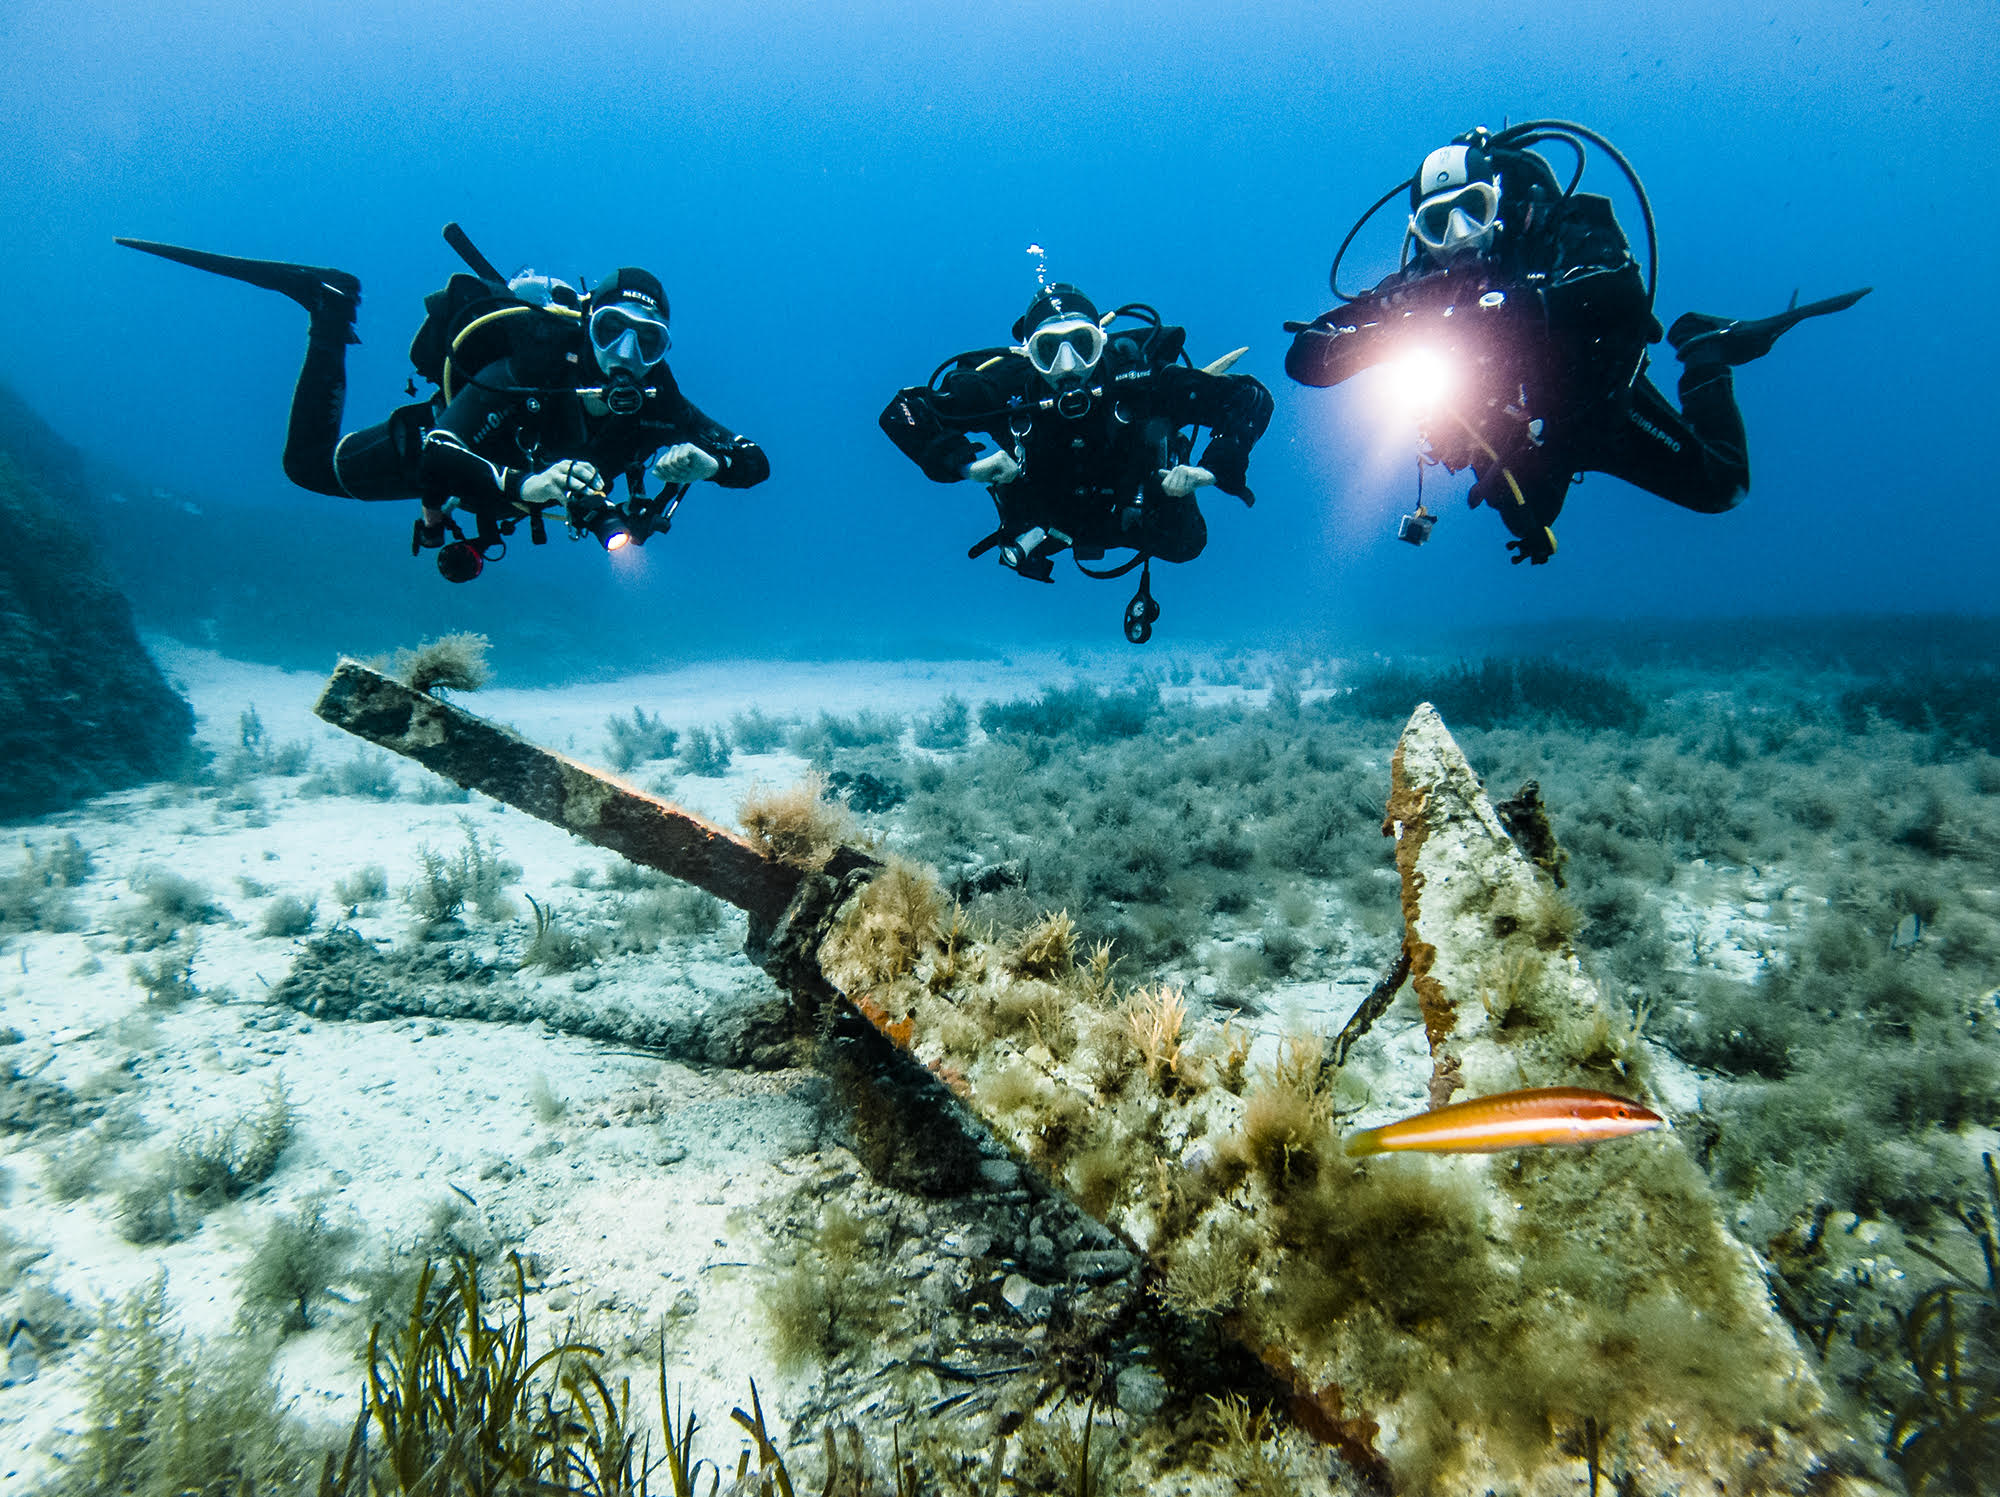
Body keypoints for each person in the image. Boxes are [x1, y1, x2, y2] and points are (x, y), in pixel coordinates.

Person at [1283, 121, 1868, 565]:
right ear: (1419, 233)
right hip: (1522, 444)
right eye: (1439, 223)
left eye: (1473, 211)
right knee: (1525, 513)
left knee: (1725, 489)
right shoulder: (1413, 288)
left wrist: (1496, 312)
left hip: (1599, 409)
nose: (1459, 235)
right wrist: (1375, 338)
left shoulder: (1558, 232)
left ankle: (1705, 347)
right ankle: (1534, 518)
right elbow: (1305, 357)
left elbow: (1619, 290)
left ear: (1499, 203)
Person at [116, 232, 769, 581]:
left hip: (495, 495)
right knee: (306, 466)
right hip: (448, 456)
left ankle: (328, 306)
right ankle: (328, 306)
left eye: (648, 342)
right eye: (611, 331)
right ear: (586, 325)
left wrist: (711, 465)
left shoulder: (659, 401)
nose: (626, 354)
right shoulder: (532, 368)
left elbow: (754, 461)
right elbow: (440, 451)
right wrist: (526, 484)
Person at [880, 283, 1272, 640]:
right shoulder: (1006, 386)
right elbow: (902, 411)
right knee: (1021, 547)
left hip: (1141, 510)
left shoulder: (1139, 379)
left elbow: (1250, 398)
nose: (1067, 367)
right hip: (1049, 524)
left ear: (1101, 340)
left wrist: (1214, 467)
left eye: (1082, 345)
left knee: (1187, 545)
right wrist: (966, 466)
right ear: (1028, 353)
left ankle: (1167, 468)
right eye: (1048, 351)